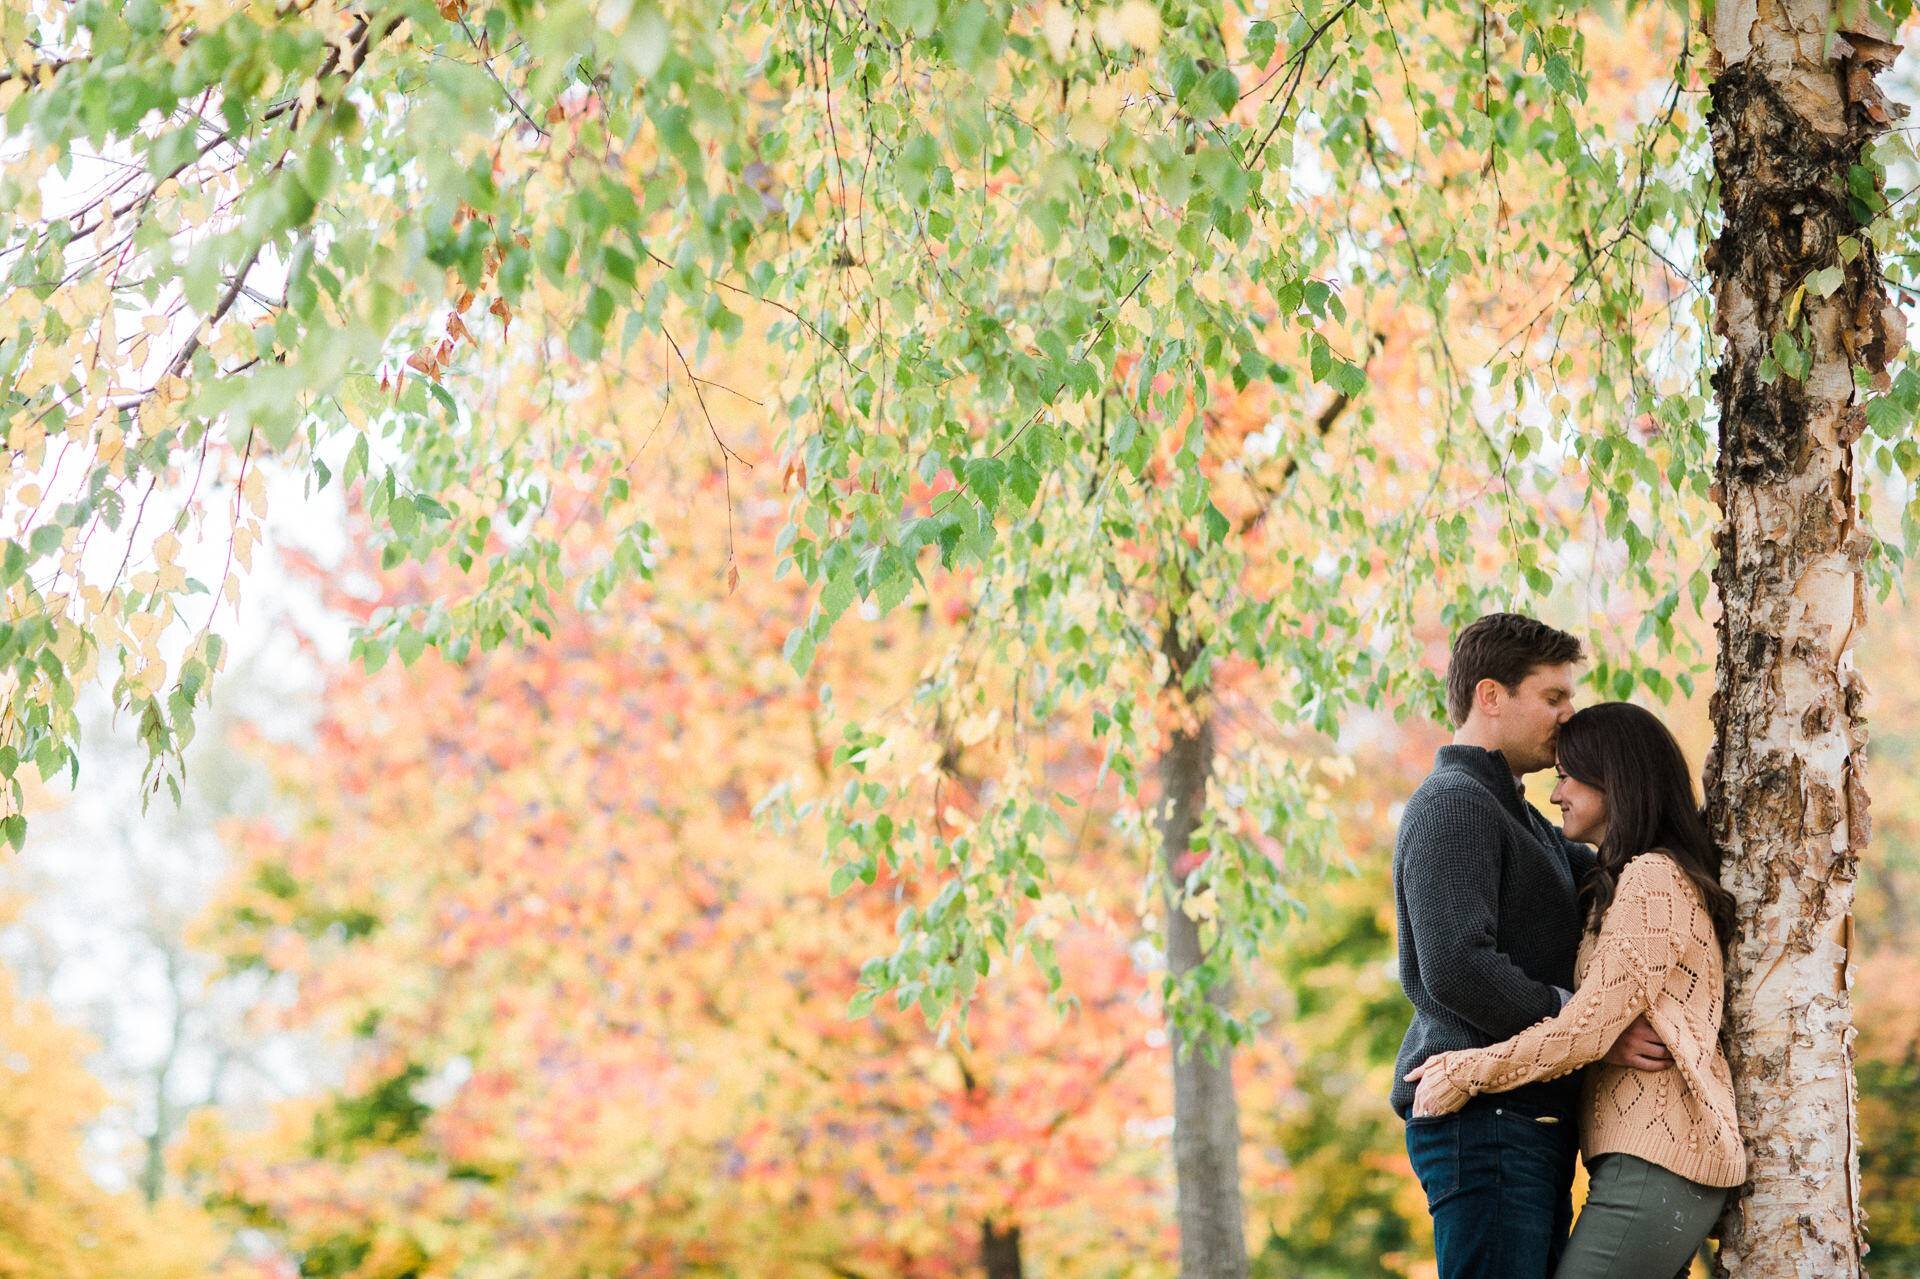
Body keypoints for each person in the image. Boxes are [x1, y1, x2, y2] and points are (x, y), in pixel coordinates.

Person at [1405, 701, 1744, 1277]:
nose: (1556, 793)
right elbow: (1595, 1027)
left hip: (1656, 1163)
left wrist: (1467, 1069)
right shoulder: (1620, 879)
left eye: (1567, 776)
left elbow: (1585, 1029)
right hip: (1641, 1163)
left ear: (1614, 781)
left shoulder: (1652, 879)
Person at [1391, 614, 1674, 1279]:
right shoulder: (1454, 804)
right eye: (1553, 697)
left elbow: (1628, 872)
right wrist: (1591, 1025)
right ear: (1491, 696)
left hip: (1526, 1121)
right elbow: (1458, 966)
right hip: (1482, 1121)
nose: (1568, 715)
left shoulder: (1528, 824)